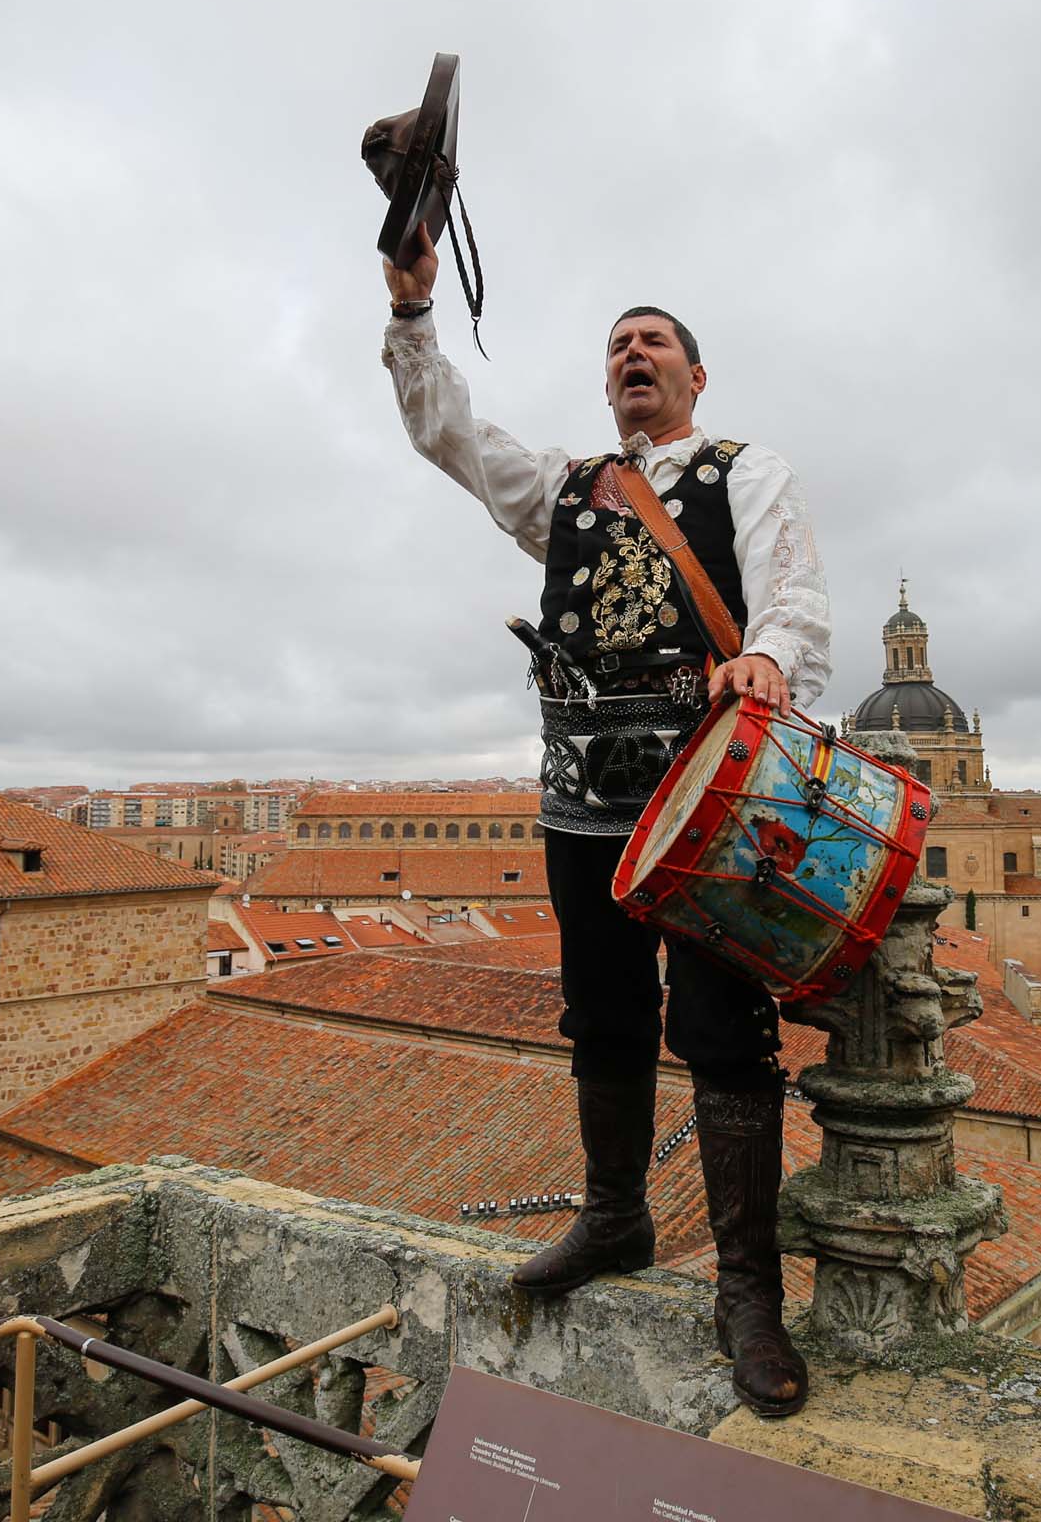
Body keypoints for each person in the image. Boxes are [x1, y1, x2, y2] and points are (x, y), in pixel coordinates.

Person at [381, 227, 831, 1418]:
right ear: (607, 380)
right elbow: (449, 435)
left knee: (723, 1028)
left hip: (707, 795)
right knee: (604, 1014)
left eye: (655, 342)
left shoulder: (744, 471)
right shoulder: (567, 486)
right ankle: (617, 1217)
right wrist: (415, 313)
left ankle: (747, 1292)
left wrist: (769, 660)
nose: (634, 353)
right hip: (582, 796)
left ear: (694, 374)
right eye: (619, 344)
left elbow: (791, 593)